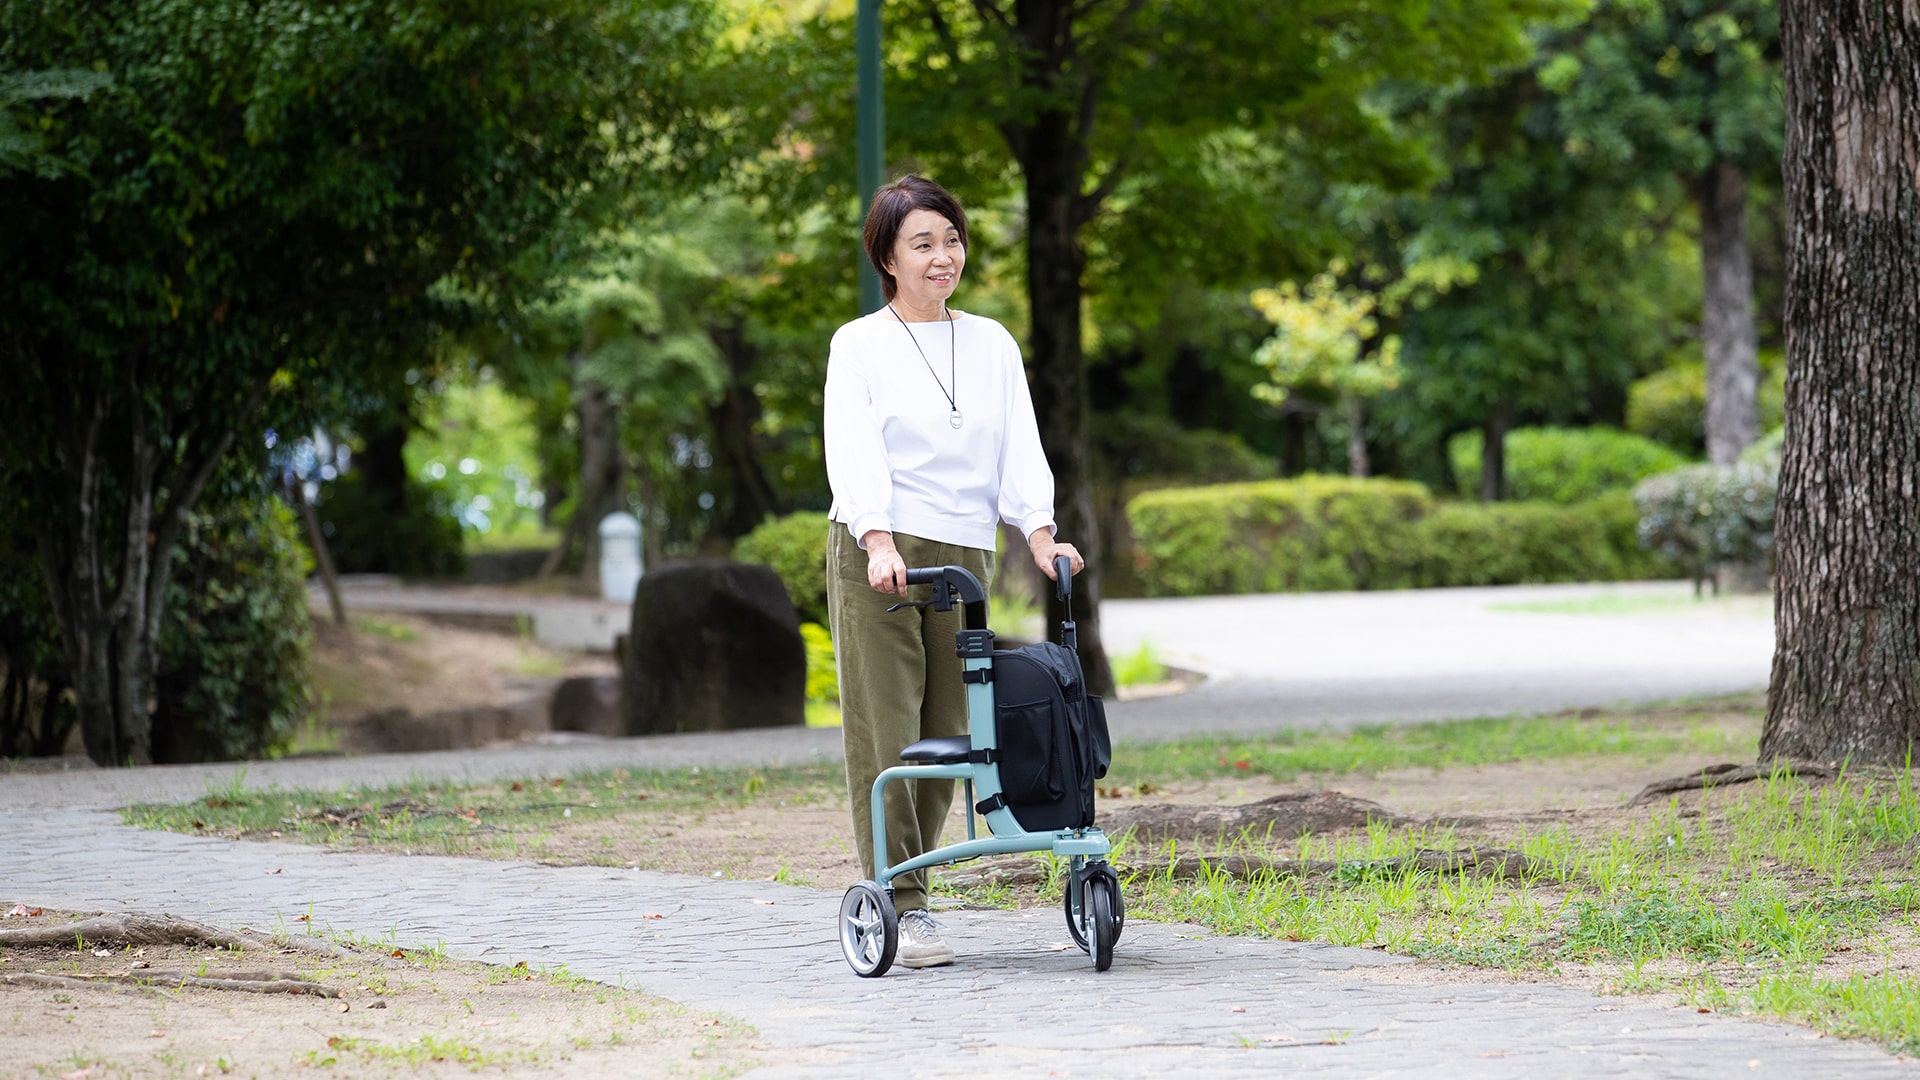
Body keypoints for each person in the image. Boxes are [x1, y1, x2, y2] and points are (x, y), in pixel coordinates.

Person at [824, 175, 1083, 969]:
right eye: (923, 244)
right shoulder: (859, 343)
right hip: (882, 551)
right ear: (888, 257)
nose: (944, 257)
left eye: (952, 240)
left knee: (952, 731)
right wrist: (875, 538)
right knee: (888, 726)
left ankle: (914, 881)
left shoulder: (992, 342)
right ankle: (902, 899)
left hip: (964, 552)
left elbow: (1018, 442)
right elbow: (853, 445)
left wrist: (1038, 533)